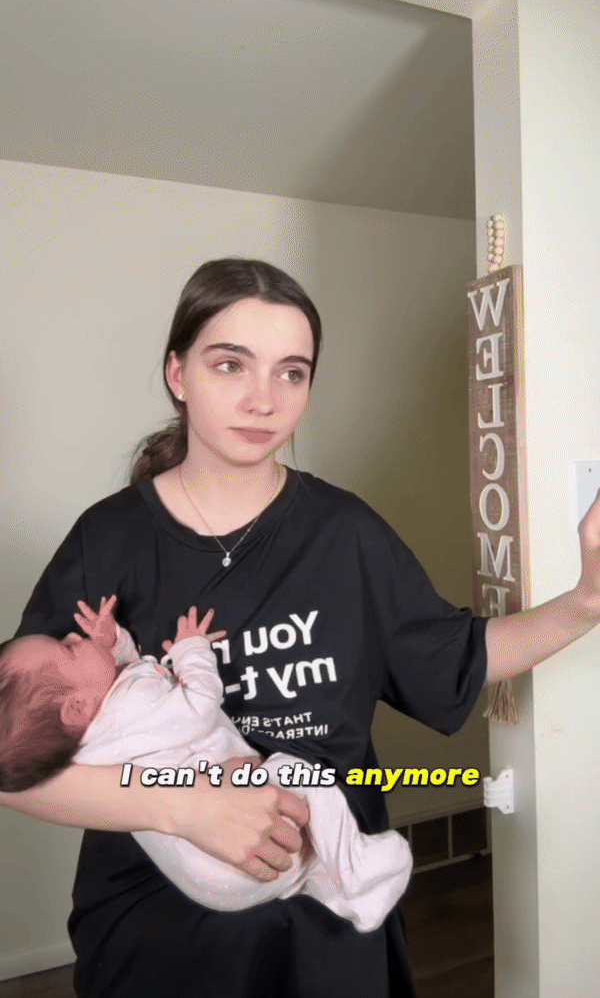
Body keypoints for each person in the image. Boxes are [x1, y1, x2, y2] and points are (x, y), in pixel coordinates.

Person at [1, 258, 599, 998]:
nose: (264, 399)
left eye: (292, 372)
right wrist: (183, 808)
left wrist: (587, 601)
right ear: (178, 373)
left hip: (333, 920)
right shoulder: (107, 540)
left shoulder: (346, 533)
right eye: (231, 364)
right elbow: (12, 767)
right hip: (157, 938)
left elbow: (457, 655)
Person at [0, 597, 413, 932]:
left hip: (205, 878)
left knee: (295, 865)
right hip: (234, 842)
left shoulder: (85, 748)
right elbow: (197, 706)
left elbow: (124, 675)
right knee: (300, 776)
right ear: (75, 707)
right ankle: (357, 868)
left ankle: (333, 891)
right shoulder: (133, 708)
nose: (74, 634)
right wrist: (191, 650)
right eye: (69, 648)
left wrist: (114, 643)